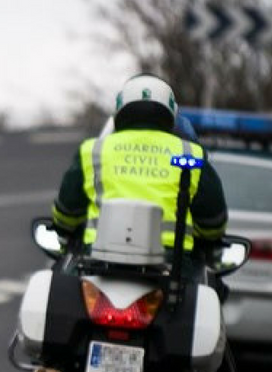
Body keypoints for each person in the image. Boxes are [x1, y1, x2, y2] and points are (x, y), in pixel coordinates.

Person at [51, 74, 229, 296]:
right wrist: (207, 238)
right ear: (170, 113)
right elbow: (213, 220)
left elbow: (67, 211)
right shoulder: (188, 153)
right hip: (173, 267)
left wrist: (64, 227)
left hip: (95, 262)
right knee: (209, 297)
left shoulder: (95, 150)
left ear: (120, 110)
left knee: (59, 284)